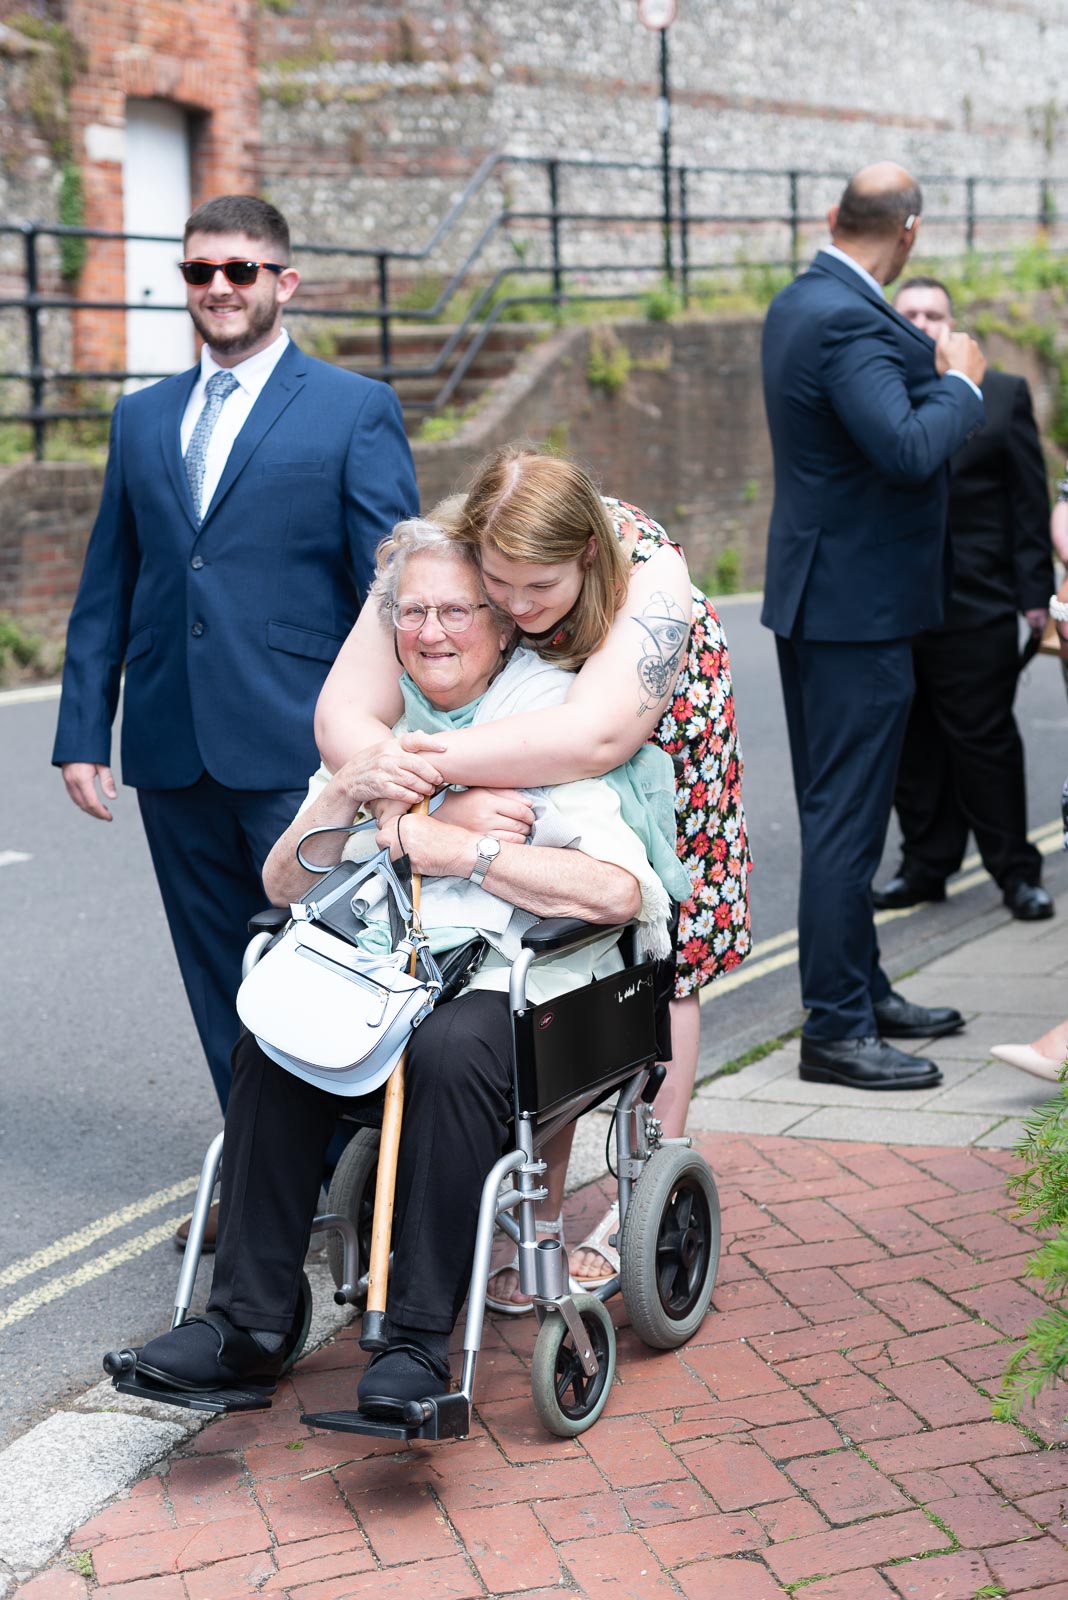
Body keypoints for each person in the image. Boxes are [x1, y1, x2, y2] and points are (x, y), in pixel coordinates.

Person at [120, 520, 672, 1417]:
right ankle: (247, 1328)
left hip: (513, 981)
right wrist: (345, 790)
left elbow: (615, 893)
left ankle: (416, 1343)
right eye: (411, 612)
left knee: (450, 1050)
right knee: (270, 1040)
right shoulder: (386, 729)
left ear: (500, 623)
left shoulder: (550, 722)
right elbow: (281, 879)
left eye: (456, 609)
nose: (431, 631)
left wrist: (456, 852)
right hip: (389, 984)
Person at [51, 194, 418, 1250]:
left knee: (337, 960)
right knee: (220, 973)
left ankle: (365, 1169)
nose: (219, 287)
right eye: (200, 269)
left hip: (304, 751)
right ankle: (265, 1179)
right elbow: (109, 581)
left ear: (284, 283)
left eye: (242, 270)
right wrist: (86, 727)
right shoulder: (141, 417)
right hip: (173, 744)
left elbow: (394, 592)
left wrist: (389, 741)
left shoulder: (352, 408)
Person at [314, 448, 751, 1290]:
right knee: (541, 954)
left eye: (537, 590)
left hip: (652, 733)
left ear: (586, 555)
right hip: (507, 729)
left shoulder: (649, 572)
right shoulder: (452, 545)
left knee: (669, 955)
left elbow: (595, 736)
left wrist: (422, 770)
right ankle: (539, 1212)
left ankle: (640, 1188)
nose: (515, 606)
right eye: (498, 585)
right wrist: (399, 793)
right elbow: (342, 710)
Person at [761, 162, 987, 1091]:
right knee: (848, 822)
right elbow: (903, 448)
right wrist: (962, 385)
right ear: (911, 232)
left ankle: (863, 985)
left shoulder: (798, 300)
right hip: (855, 613)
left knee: (839, 813)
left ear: (831, 216)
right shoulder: (849, 315)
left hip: (828, 598)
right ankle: (838, 1029)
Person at [872, 277, 1054, 922]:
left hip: (978, 603)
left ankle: (1016, 873)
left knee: (986, 743)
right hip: (895, 607)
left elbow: (1029, 502)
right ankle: (926, 867)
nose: (922, 322)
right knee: (912, 746)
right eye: (909, 312)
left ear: (954, 325)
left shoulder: (1001, 393)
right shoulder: (876, 396)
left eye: (934, 313)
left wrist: (1036, 596)